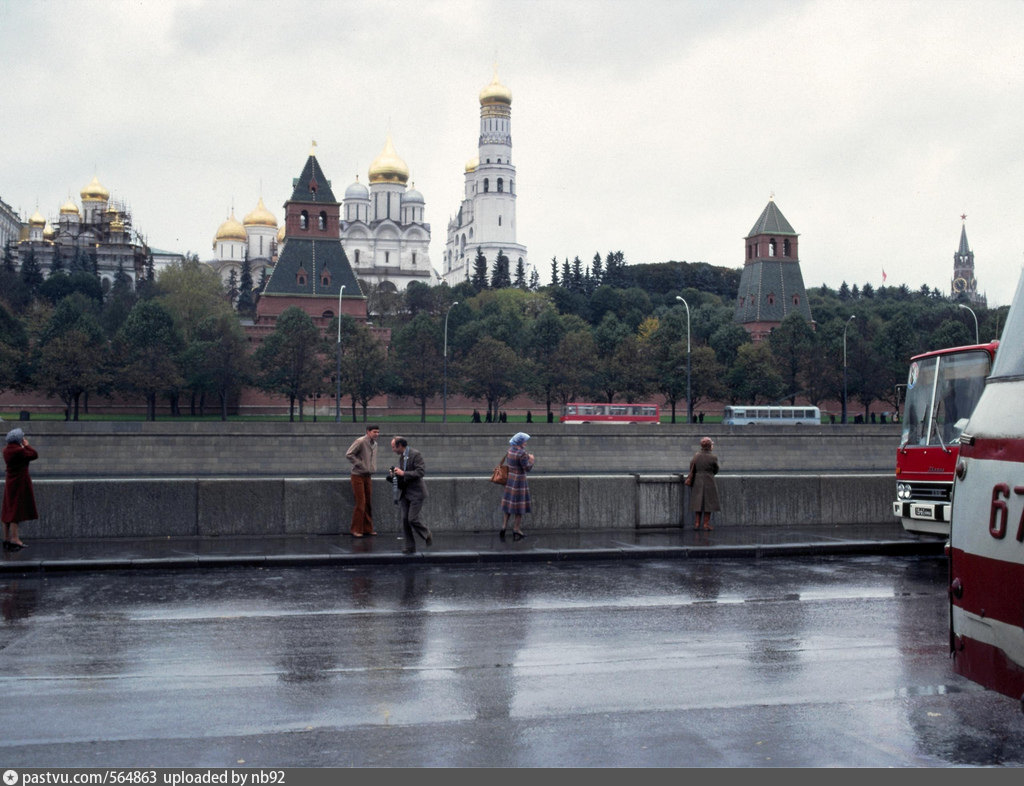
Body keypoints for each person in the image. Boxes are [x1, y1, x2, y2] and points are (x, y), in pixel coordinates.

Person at [389, 436, 432, 554]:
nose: (392, 449)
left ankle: (426, 533)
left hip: (416, 492)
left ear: (400, 446)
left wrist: (403, 473)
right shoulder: (402, 456)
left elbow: (421, 472)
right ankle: (410, 547)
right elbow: (404, 473)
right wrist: (395, 473)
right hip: (405, 493)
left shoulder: (415, 454)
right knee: (405, 520)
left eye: (393, 447)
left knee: (412, 519)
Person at [2, 428, 38, 551]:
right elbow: (34, 455)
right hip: (19, 483)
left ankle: (6, 538)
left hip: (10, 482)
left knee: (7, 510)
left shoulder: (6, 450)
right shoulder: (19, 451)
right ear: (18, 439)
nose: (24, 439)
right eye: (22, 437)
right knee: (15, 512)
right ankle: (15, 539)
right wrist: (27, 445)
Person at [345, 425, 379, 538]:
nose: (376, 434)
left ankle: (367, 529)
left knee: (368, 502)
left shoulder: (375, 444)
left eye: (378, 432)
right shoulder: (360, 441)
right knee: (361, 503)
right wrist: (360, 464)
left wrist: (371, 468)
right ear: (368, 432)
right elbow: (349, 454)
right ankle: (356, 529)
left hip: (368, 475)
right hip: (357, 475)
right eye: (374, 432)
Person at [500, 432, 534, 541]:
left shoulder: (509, 451)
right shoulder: (522, 454)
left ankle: (504, 527)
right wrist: (531, 461)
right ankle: (516, 529)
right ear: (520, 442)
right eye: (524, 441)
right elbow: (526, 468)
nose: (526, 443)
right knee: (519, 507)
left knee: (508, 505)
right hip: (519, 481)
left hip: (510, 480)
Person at [685, 436, 720, 531]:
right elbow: (716, 469)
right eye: (712, 444)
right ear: (709, 446)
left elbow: (691, 466)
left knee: (698, 503)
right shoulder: (713, 457)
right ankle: (706, 524)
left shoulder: (696, 455)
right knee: (709, 503)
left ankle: (696, 524)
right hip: (709, 480)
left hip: (698, 481)